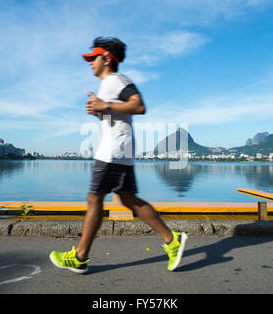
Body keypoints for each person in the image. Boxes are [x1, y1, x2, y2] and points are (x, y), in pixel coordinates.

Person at [49, 37, 187, 274]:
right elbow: (114, 114)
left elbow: (139, 105)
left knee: (95, 200)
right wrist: (98, 111)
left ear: (107, 59)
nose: (90, 62)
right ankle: (171, 240)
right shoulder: (107, 86)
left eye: (94, 57)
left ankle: (80, 257)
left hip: (112, 151)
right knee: (128, 199)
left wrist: (106, 107)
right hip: (118, 150)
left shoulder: (117, 80)